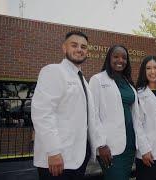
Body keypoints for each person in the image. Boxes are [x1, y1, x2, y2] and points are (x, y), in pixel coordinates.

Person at [31, 31, 105, 179]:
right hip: (57, 160)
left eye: (83, 47)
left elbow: (90, 118)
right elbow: (42, 113)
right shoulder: (53, 71)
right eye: (74, 45)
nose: (79, 49)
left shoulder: (83, 80)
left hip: (78, 159)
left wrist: (99, 144)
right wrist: (53, 151)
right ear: (64, 48)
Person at [88, 45, 140, 180]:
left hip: (130, 144)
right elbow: (92, 115)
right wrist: (101, 144)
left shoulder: (128, 82)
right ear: (109, 58)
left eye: (124, 57)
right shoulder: (97, 80)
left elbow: (135, 114)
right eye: (116, 56)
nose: (120, 60)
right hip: (109, 147)